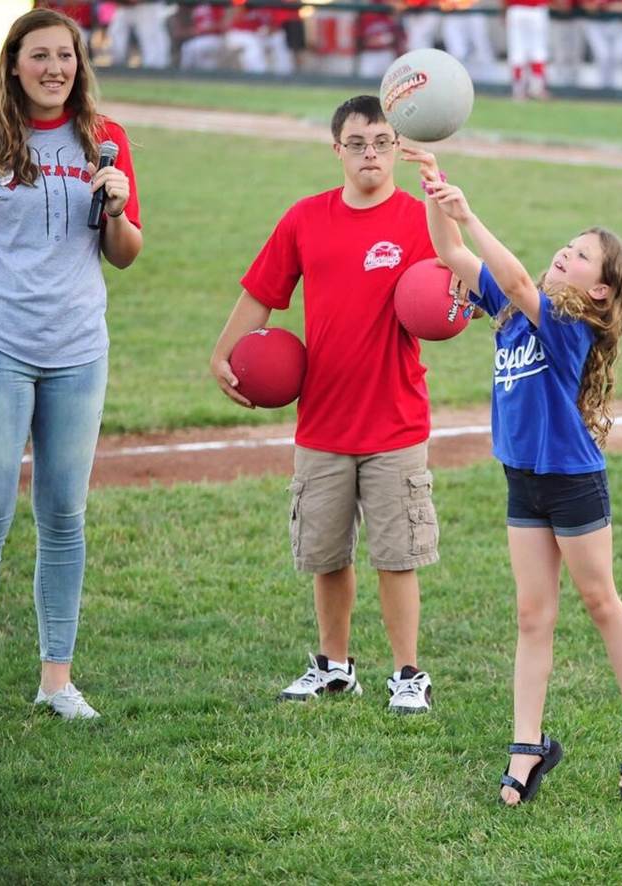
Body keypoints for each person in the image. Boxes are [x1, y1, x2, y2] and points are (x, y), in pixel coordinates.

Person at [401, 145, 622, 801]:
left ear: (598, 289)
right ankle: (529, 746)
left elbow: (521, 283)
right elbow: (450, 256)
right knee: (531, 616)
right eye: (566, 247)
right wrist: (437, 192)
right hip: (522, 480)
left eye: (581, 257)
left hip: (572, 482)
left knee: (599, 601)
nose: (565, 256)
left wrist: (471, 215)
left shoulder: (568, 321)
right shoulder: (512, 306)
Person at [0, 8, 143, 728]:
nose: (55, 68)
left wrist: (115, 207)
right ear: (13, 63)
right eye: (40, 56)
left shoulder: (104, 141)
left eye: (67, 57)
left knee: (64, 517)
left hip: (78, 352)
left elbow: (127, 252)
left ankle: (57, 680)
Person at [210, 96, 441, 714]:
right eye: (358, 142)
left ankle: (408, 674)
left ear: (397, 148)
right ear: (336, 150)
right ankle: (334, 666)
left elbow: (449, 294)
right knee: (327, 555)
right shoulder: (306, 219)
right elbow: (262, 291)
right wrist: (223, 352)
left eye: (383, 142)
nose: (371, 153)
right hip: (322, 421)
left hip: (396, 420)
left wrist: (459, 304)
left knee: (398, 556)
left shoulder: (419, 221)